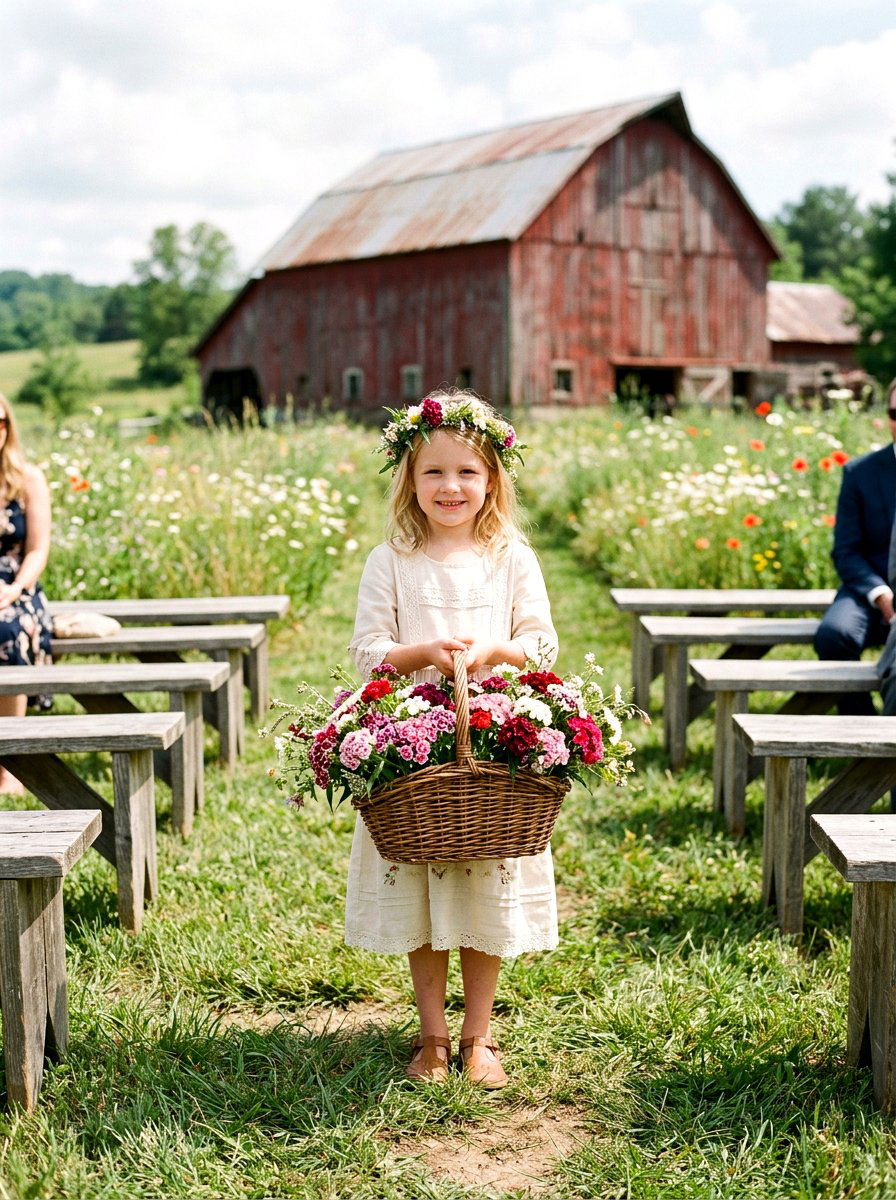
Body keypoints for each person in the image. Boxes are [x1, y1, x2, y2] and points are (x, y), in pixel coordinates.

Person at [346, 390, 558, 1088]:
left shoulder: (510, 556)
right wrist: (419, 655)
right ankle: (432, 1034)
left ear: (492, 478)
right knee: (424, 881)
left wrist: (496, 649)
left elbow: (542, 642)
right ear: (409, 479)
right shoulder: (393, 560)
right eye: (433, 472)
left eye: (467, 472)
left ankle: (480, 1035)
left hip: (491, 739)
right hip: (416, 744)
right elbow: (366, 650)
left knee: (484, 883)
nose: (451, 487)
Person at [813, 380, 896, 714]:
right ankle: (860, 727)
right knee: (834, 635)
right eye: (894, 412)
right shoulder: (860, 472)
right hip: (870, 590)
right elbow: (846, 550)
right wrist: (881, 595)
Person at [0, 394, 53, 793]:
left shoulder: (27, 479)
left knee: (9, 630)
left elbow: (37, 550)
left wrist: (16, 588)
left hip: (18, 584)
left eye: (0, 423)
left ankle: (11, 764)